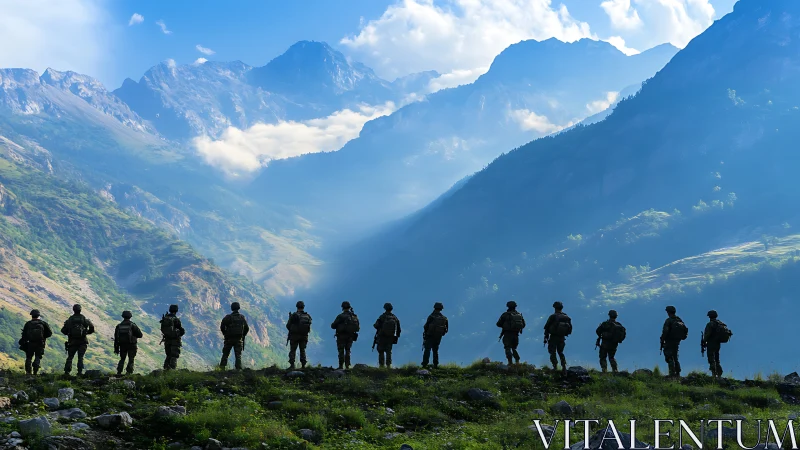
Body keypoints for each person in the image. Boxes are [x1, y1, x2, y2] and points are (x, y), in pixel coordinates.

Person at [61, 304, 95, 376]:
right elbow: (92, 328)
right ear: (80, 310)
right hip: (82, 341)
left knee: (70, 357)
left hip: (72, 342)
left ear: (73, 310)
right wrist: (86, 333)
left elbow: (63, 330)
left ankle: (67, 372)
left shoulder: (69, 320)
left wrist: (70, 333)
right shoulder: (84, 320)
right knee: (80, 357)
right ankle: (79, 372)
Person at [19, 309, 53, 377]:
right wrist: (43, 337)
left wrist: (23, 342)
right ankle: (35, 373)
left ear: (31, 315)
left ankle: (28, 373)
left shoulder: (28, 324)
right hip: (40, 343)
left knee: (29, 357)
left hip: (30, 343)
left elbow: (24, 335)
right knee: (37, 357)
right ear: (39, 316)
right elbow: (49, 333)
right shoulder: (43, 323)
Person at [701, 310, 732, 380]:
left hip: (711, 343)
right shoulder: (720, 323)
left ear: (709, 316)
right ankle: (719, 373)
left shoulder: (710, 324)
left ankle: (714, 374)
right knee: (717, 359)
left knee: (711, 359)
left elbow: (707, 334)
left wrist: (704, 341)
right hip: (718, 343)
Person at [543, 301, 572, 374]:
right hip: (562, 337)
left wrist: (546, 336)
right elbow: (570, 328)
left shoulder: (553, 316)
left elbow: (547, 327)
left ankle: (555, 366)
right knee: (561, 352)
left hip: (553, 337)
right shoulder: (566, 317)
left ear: (555, 307)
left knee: (552, 352)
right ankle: (564, 367)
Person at [220, 302, 250, 370]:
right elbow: (247, 328)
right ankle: (238, 369)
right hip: (238, 339)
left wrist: (225, 334)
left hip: (229, 339)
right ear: (238, 307)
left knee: (225, 354)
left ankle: (222, 368)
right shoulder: (242, 317)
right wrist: (243, 335)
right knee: (238, 355)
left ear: (232, 308)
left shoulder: (227, 317)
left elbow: (222, 327)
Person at [660, 305, 688, 379]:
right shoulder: (679, 320)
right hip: (677, 341)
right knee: (675, 357)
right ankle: (678, 373)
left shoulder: (669, 320)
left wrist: (662, 339)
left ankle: (672, 373)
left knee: (669, 357)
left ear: (668, 312)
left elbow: (665, 331)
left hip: (669, 341)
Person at [331, 301, 359, 370]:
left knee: (341, 351)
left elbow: (333, 326)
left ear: (342, 308)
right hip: (350, 336)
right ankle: (347, 366)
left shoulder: (340, 316)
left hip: (341, 336)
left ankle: (341, 366)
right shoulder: (354, 316)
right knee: (348, 350)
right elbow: (357, 327)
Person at [114, 310, 143, 376]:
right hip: (132, 345)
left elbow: (116, 338)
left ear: (123, 316)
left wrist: (116, 348)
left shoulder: (119, 326)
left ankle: (119, 372)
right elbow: (140, 335)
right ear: (130, 316)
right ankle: (129, 372)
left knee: (122, 358)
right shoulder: (133, 325)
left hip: (122, 345)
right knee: (131, 359)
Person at [373, 303, 401, 368]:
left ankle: (381, 365)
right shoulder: (394, 317)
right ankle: (389, 365)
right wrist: (397, 336)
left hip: (382, 336)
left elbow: (376, 325)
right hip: (390, 337)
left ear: (385, 308)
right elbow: (398, 328)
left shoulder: (382, 317)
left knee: (381, 350)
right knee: (388, 351)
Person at [286, 301, 312, 369]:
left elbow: (288, 326)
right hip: (304, 336)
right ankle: (303, 365)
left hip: (294, 336)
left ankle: (292, 365)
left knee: (293, 350)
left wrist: (293, 329)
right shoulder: (307, 316)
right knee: (302, 350)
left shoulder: (293, 315)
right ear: (303, 307)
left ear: (297, 307)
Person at [422, 302, 448, 369]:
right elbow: (446, 329)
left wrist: (426, 333)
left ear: (434, 307)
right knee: (435, 350)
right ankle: (435, 364)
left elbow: (426, 326)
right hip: (438, 336)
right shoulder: (444, 318)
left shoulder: (431, 317)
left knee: (427, 349)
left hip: (430, 335)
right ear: (441, 309)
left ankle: (425, 364)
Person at [160, 304, 186, 370]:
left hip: (167, 340)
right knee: (174, 356)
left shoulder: (165, 318)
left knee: (168, 355)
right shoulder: (176, 320)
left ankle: (165, 369)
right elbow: (181, 331)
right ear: (176, 310)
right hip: (175, 341)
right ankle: (172, 371)